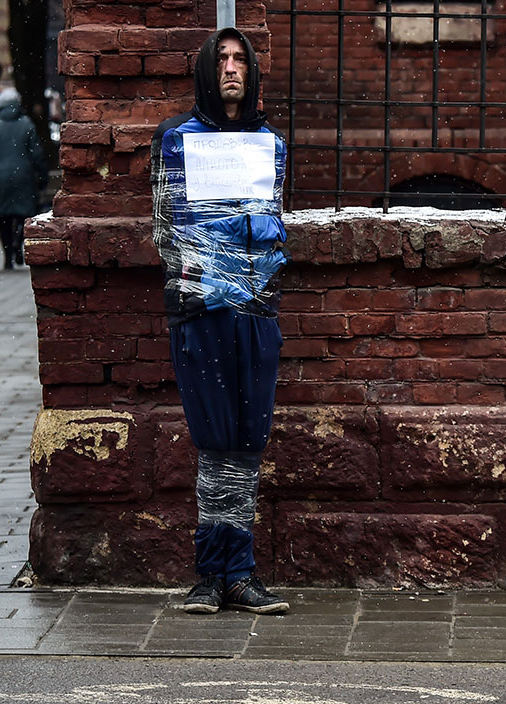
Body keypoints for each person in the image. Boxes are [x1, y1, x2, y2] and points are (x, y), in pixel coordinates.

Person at [150, 28, 290, 615]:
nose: (231, 68)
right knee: (215, 442)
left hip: (255, 309)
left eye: (240, 60)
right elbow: (166, 228)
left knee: (248, 441)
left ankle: (240, 574)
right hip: (200, 308)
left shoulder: (270, 146)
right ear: (208, 72)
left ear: (251, 72)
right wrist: (219, 258)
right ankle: (212, 574)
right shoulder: (177, 141)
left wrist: (244, 250)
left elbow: (272, 221)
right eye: (222, 60)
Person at [0, 88, 48, 270]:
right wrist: (42, 174)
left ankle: (7, 254)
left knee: (3, 218)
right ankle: (18, 242)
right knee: (22, 214)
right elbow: (36, 153)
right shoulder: (27, 124)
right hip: (24, 175)